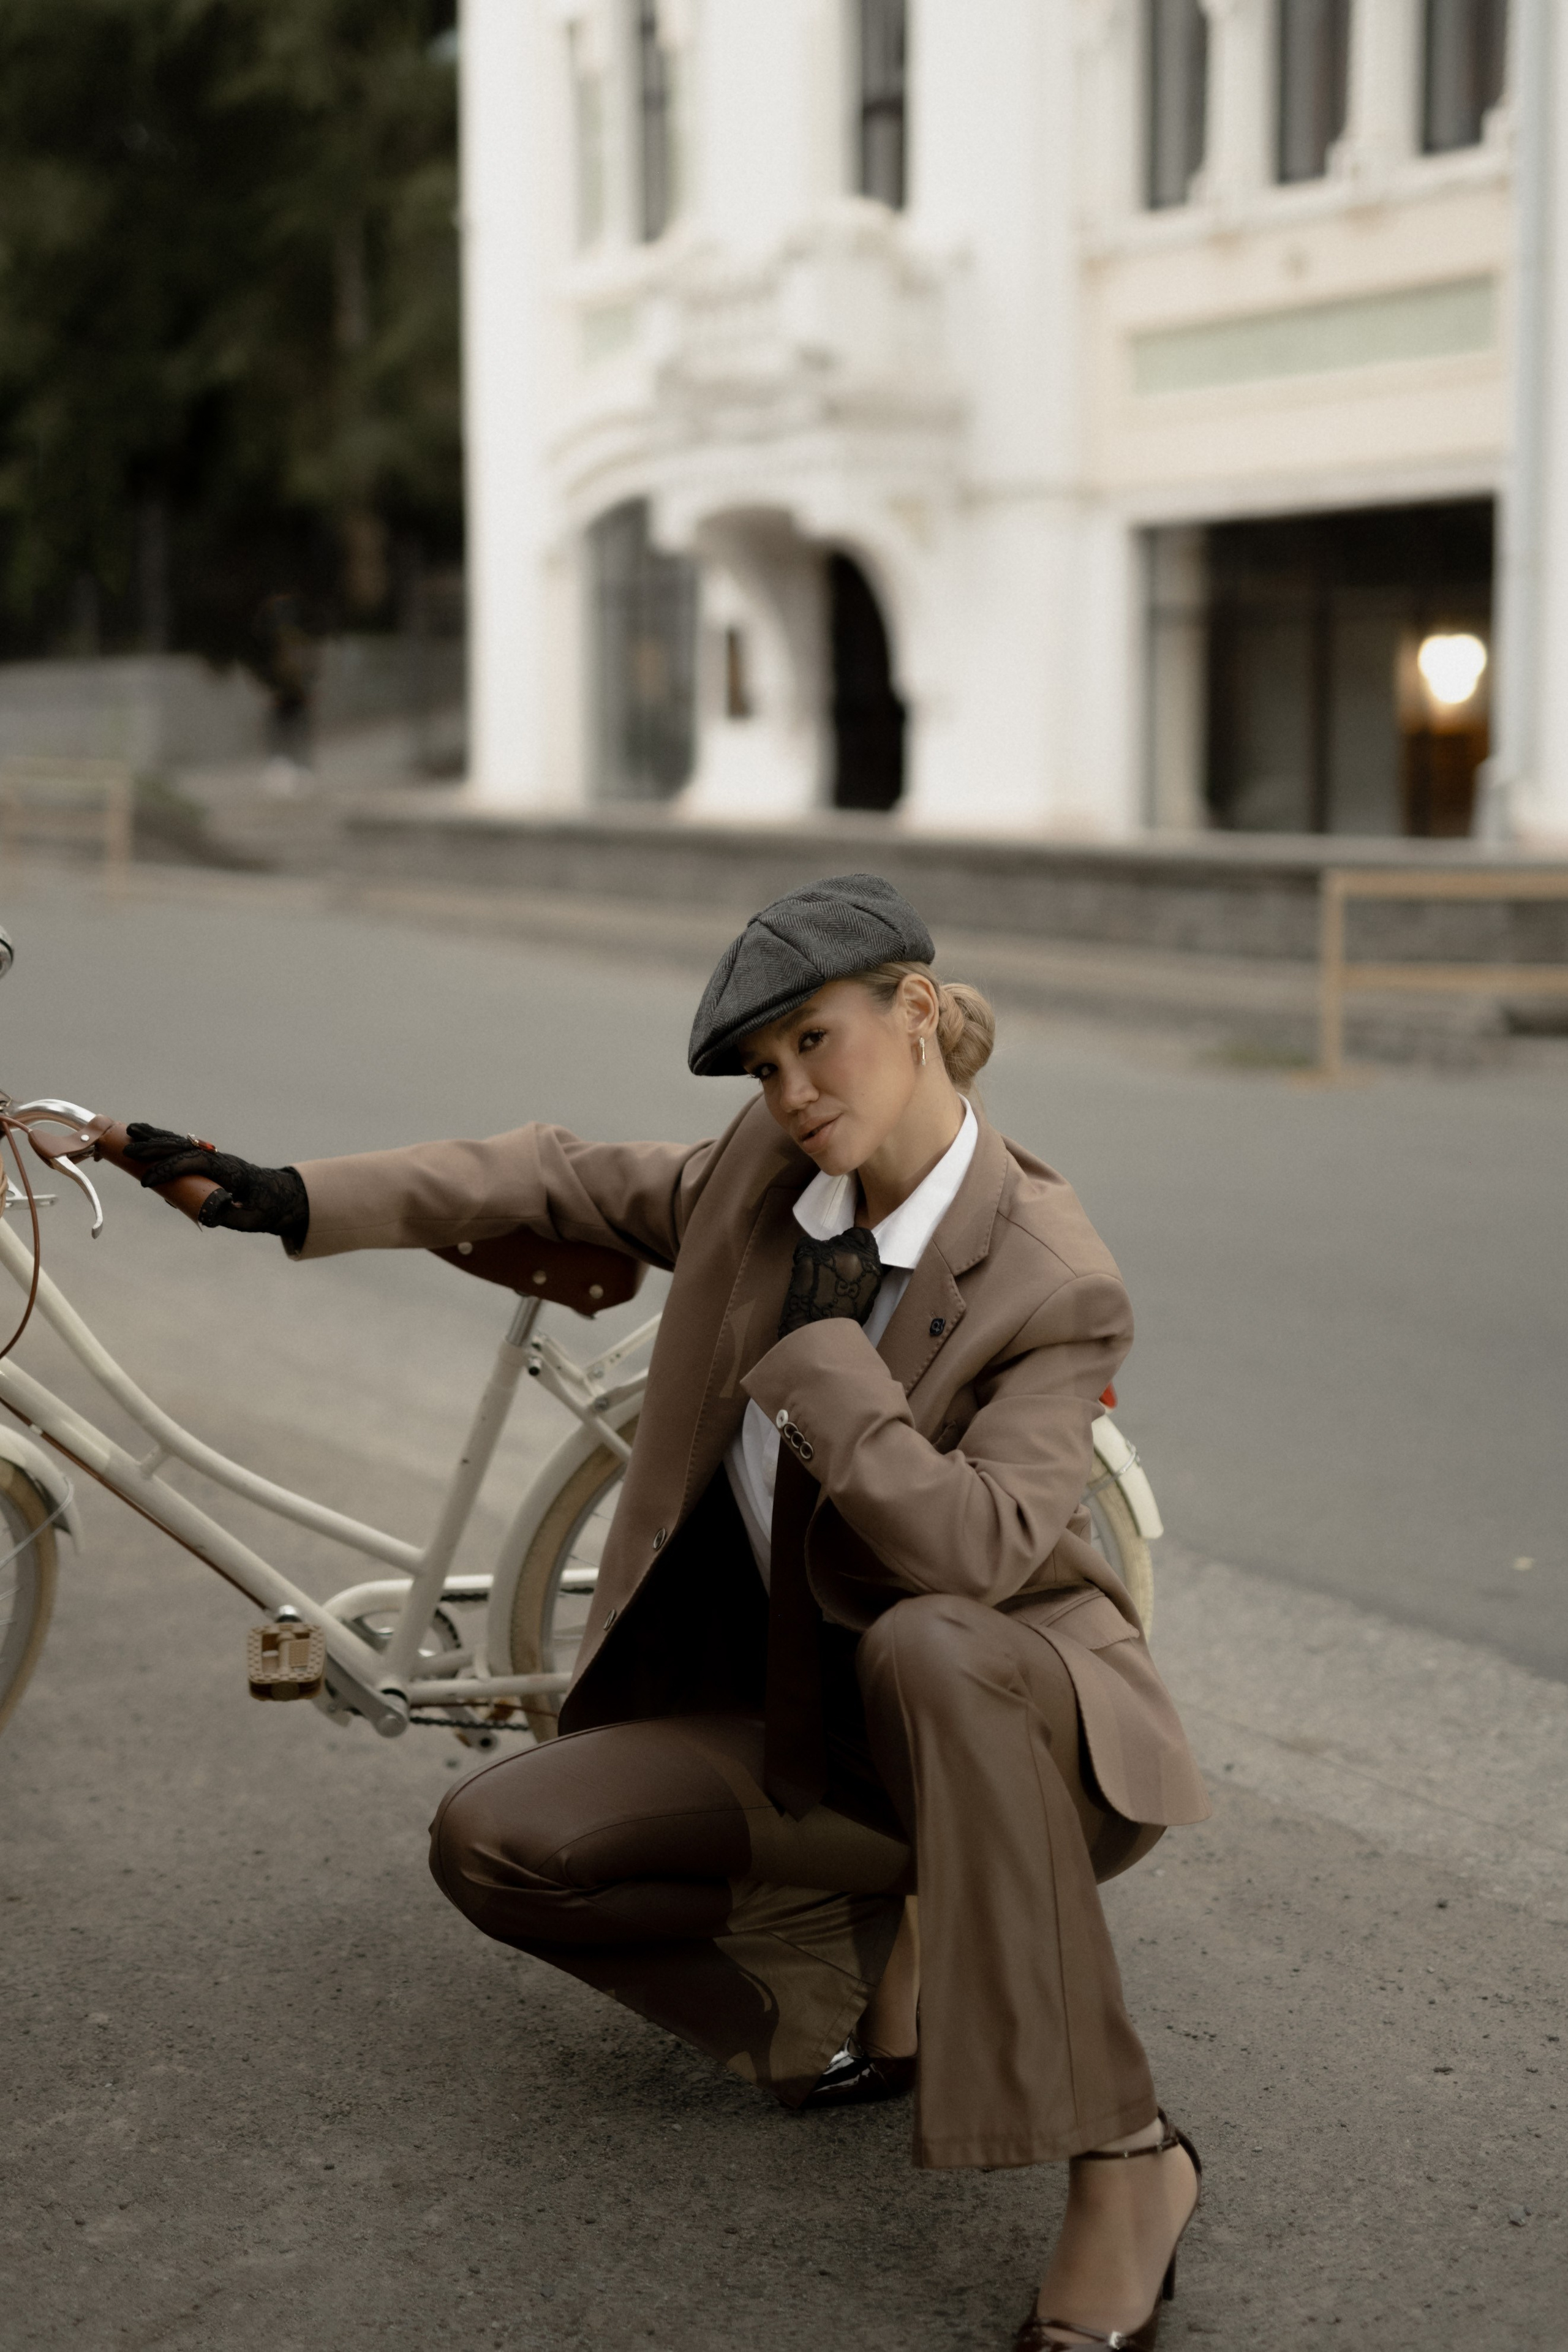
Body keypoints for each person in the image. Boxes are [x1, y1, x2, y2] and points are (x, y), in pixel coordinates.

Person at [126, 873, 1208, 2350]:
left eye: (813, 1043)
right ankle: (831, 1989)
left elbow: (980, 1547)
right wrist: (286, 1195)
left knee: (925, 1637)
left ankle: (1126, 2165)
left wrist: (831, 1362)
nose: (791, 1091)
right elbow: (550, 1177)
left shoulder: (1049, 1275)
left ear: (912, 1011)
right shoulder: (766, 1178)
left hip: (1023, 1743)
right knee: (501, 1842)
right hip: (799, 1731)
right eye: (764, 1068)